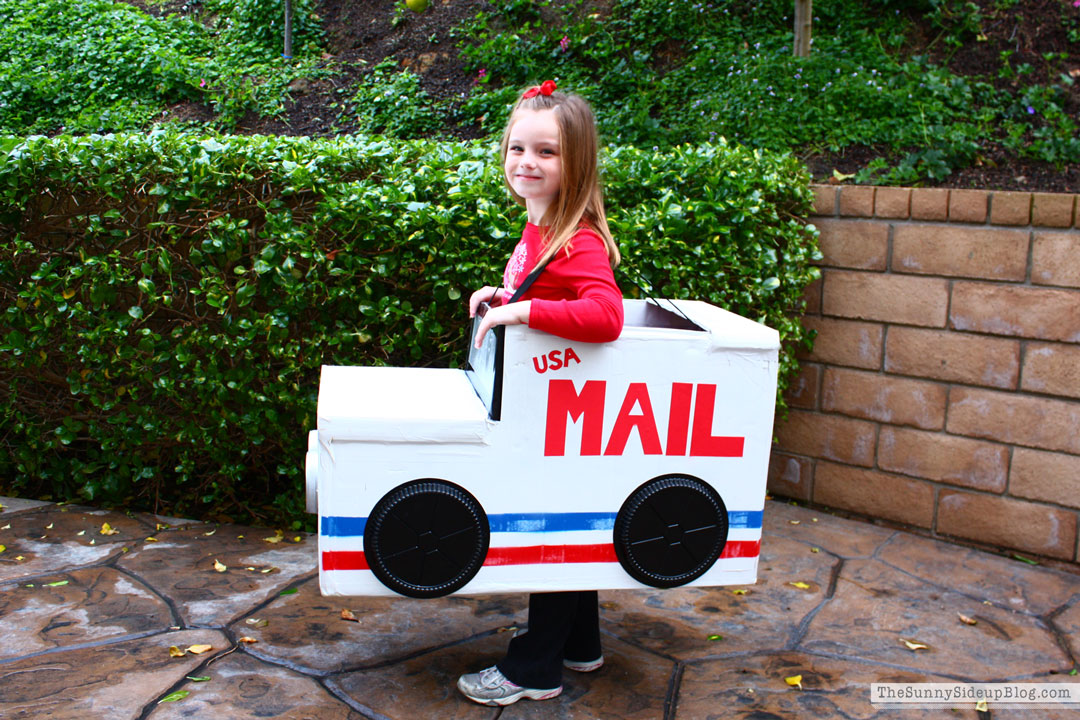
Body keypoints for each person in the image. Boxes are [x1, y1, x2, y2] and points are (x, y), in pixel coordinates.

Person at [457, 80, 624, 707]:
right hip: (550, 410)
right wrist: (502, 300)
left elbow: (604, 315)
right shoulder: (542, 227)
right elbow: (542, 295)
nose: (526, 162)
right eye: (516, 148)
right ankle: (580, 644)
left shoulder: (576, 239)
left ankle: (534, 670)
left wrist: (522, 318)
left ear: (575, 164)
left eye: (546, 153)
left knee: (551, 537)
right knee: (570, 525)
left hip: (560, 415)